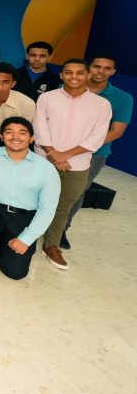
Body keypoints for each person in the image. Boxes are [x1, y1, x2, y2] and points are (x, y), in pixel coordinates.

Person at [34, 59, 111, 271]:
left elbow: (97, 137)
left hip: (77, 165)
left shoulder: (101, 105)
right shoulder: (47, 98)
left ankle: (51, 245)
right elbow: (40, 128)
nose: (73, 77)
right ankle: (26, 237)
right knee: (33, 200)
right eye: (68, 72)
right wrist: (53, 155)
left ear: (88, 75)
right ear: (61, 75)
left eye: (79, 73)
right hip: (43, 161)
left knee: (63, 207)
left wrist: (64, 156)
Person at [0, 117, 61, 280]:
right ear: (2, 136)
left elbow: (47, 209)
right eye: (9, 132)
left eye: (22, 133)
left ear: (31, 138)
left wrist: (26, 239)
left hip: (23, 216)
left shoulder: (47, 169)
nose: (15, 137)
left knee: (15, 272)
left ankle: (2, 243)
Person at [62, 54, 132, 249]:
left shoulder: (123, 98)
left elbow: (116, 131)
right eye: (97, 66)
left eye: (107, 68)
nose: (101, 71)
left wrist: (80, 148)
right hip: (59, 150)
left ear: (113, 72)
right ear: (89, 68)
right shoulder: (68, 87)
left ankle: (61, 231)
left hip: (94, 154)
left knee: (76, 193)